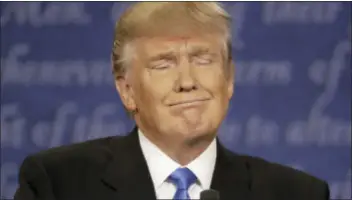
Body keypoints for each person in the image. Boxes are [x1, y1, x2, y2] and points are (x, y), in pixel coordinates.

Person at [14, 2, 330, 200]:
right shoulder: (57, 185)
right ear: (127, 90)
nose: (187, 81)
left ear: (229, 78)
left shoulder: (297, 194)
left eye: (203, 59)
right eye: (163, 64)